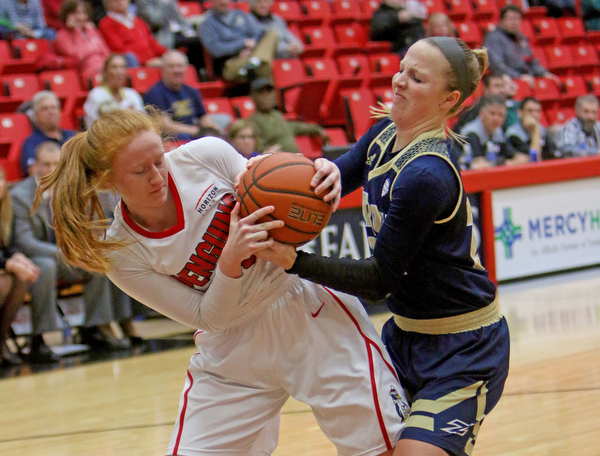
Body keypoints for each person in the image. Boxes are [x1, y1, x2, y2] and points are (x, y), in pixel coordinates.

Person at [37, 108, 409, 455]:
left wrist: (319, 179)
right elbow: (207, 317)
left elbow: (283, 197)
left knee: (384, 444)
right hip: (232, 344)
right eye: (140, 172)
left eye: (159, 160)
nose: (157, 176)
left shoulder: (205, 155)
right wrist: (229, 262)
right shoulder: (122, 253)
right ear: (107, 180)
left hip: (301, 304)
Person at [252, 37, 510, 456]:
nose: (400, 81)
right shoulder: (381, 136)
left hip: (464, 347)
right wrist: (317, 171)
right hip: (403, 338)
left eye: (417, 78)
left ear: (450, 99)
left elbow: (377, 280)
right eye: (402, 68)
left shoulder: (426, 175)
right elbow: (331, 180)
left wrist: (292, 260)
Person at [12, 141, 131, 363]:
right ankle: (39, 340)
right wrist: (70, 253)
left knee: (98, 263)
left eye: (56, 164)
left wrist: (85, 251)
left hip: (66, 258)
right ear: (35, 166)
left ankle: (95, 329)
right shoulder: (21, 196)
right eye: (45, 164)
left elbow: (89, 226)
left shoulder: (72, 190)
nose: (50, 170)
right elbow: (26, 242)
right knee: (44, 267)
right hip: (35, 258)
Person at [0, 166, 41, 367]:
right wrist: (10, 264)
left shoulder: (5, 209)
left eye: (0, 178)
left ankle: (1, 343)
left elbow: (6, 245)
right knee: (4, 283)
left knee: (21, 279)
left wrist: (18, 258)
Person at [143, 50, 228, 141]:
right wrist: (198, 131)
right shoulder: (154, 93)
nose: (176, 70)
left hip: (194, 134)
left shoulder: (191, 91)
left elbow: (204, 117)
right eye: (171, 66)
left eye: (180, 66)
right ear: (162, 69)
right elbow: (166, 127)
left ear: (186, 69)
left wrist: (215, 131)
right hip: (173, 139)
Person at [199, 0, 278, 82]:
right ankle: (256, 62)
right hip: (230, 63)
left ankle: (255, 61)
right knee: (265, 66)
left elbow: (258, 34)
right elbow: (216, 50)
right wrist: (242, 44)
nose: (223, 2)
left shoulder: (241, 15)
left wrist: (249, 50)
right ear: (211, 1)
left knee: (272, 34)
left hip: (250, 54)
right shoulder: (207, 24)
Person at [483, 5, 559, 89]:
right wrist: (519, 77)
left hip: (526, 78)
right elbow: (497, 66)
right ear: (502, 20)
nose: (514, 22)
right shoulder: (494, 38)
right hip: (508, 81)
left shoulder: (521, 38)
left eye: (517, 19)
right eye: (511, 19)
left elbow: (532, 60)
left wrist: (544, 73)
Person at [248, 77, 330, 154]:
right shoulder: (253, 122)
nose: (266, 96)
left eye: (268, 92)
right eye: (261, 93)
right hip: (279, 164)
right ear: (253, 97)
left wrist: (317, 130)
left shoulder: (277, 115)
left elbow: (294, 127)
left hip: (297, 160)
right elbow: (259, 150)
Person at [134, 0, 205, 72]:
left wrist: (189, 31)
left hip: (179, 31)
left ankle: (198, 74)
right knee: (190, 44)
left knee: (197, 41)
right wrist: (162, 3)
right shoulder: (143, 1)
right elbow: (155, 20)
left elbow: (179, 17)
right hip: (162, 34)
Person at [460, 94, 527, 168]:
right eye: (492, 113)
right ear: (482, 113)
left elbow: (512, 155)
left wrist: (513, 160)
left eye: (500, 115)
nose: (496, 119)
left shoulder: (497, 131)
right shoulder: (472, 132)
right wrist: (506, 163)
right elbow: (479, 164)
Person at [20, 91, 77, 177]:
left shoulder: (73, 136)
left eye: (54, 107)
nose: (51, 112)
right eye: (45, 109)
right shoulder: (31, 143)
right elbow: (33, 172)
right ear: (35, 115)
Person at [98, 0, 167, 67]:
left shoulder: (139, 21)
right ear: (107, 3)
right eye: (115, 0)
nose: (120, 2)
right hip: (133, 66)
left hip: (153, 62)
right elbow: (118, 50)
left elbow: (153, 44)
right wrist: (146, 62)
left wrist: (168, 54)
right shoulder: (106, 24)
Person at [83, 54, 144, 128]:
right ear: (105, 71)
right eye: (114, 67)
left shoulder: (132, 95)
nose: (119, 72)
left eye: (122, 67)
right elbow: (91, 127)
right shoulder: (96, 94)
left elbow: (142, 123)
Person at [53, 0, 111, 75]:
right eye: (75, 13)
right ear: (67, 15)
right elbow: (79, 56)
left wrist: (90, 31)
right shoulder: (61, 35)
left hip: (104, 70)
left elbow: (106, 53)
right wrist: (76, 31)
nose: (81, 17)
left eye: (83, 13)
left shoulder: (91, 30)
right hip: (84, 73)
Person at [506, 96, 560, 161]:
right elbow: (533, 159)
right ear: (520, 113)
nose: (534, 114)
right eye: (530, 111)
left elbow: (552, 154)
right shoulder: (513, 134)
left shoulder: (543, 130)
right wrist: (535, 131)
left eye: (537, 111)